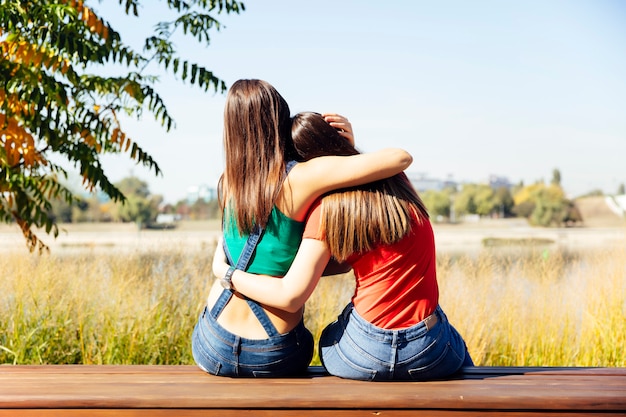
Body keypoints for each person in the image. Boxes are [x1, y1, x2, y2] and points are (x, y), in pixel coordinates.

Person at [213, 111, 474, 381]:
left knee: (329, 338)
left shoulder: (327, 212)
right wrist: (350, 151)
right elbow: (394, 161)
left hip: (364, 355)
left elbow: (297, 287)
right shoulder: (399, 187)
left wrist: (231, 273)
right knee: (448, 334)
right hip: (429, 351)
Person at [192, 80, 413, 377]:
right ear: (279, 120)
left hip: (211, 343)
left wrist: (226, 273)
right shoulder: (301, 177)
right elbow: (400, 158)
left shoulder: (228, 183)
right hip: (273, 352)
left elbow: (263, 253)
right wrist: (347, 148)